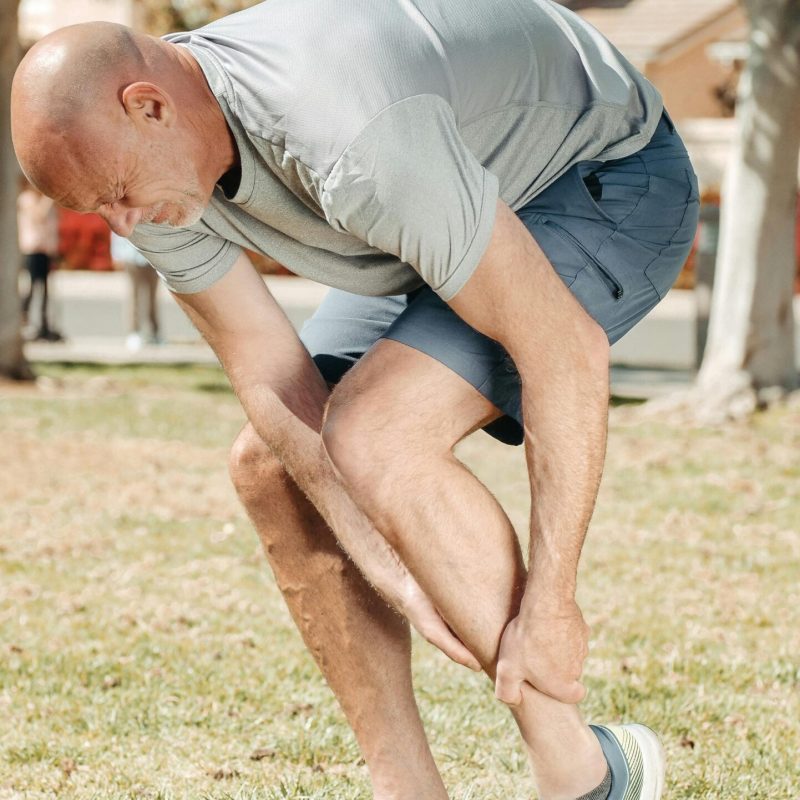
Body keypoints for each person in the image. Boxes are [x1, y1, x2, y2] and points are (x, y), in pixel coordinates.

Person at [10, 3, 700, 798]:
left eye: (120, 195)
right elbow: (268, 373)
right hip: (437, 200)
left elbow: (564, 351)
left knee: (377, 435)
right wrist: (388, 567)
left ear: (149, 103)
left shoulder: (347, 130)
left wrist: (552, 604)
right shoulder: (143, 159)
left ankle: (589, 774)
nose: (124, 224)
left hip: (601, 173)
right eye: (101, 208)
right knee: (273, 462)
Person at [17, 179, 63, 341]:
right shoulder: (27, 199)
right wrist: (49, 198)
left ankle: (44, 324)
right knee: (31, 286)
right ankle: (23, 319)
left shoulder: (44, 201)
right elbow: (39, 216)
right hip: (33, 250)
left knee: (45, 289)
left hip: (46, 250)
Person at [110, 231, 163, 350]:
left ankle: (154, 331)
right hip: (131, 256)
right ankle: (133, 332)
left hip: (152, 256)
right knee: (133, 296)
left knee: (153, 297)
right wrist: (116, 254)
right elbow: (117, 229)